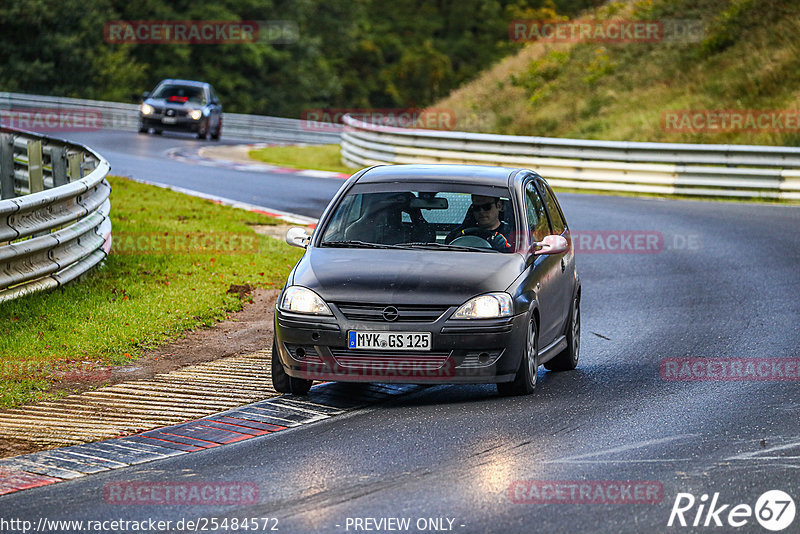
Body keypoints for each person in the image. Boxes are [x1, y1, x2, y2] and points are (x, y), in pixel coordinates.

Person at [445, 195, 513, 252]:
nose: (481, 212)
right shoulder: (458, 235)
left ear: (499, 206)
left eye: (486, 207)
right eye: (476, 208)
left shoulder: (512, 234)